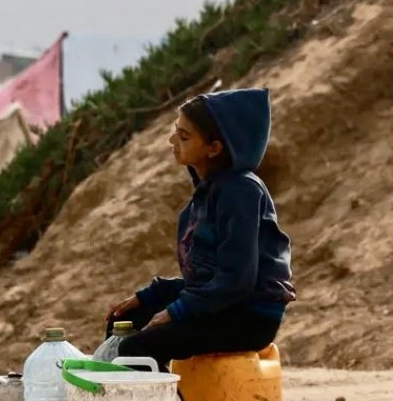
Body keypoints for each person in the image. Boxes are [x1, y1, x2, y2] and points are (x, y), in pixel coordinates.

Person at [105, 88, 296, 371]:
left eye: (184, 137)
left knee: (137, 348)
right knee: (128, 318)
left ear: (214, 147)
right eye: (175, 132)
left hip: (249, 317)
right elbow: (207, 281)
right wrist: (154, 296)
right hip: (224, 304)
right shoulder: (208, 193)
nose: (172, 141)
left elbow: (237, 281)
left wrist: (176, 311)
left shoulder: (240, 191)